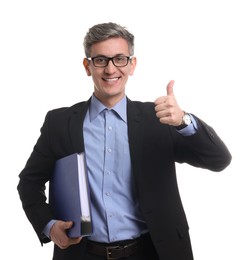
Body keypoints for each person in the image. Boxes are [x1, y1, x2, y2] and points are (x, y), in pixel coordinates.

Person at [17, 22, 232, 260]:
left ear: (132, 64)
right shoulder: (59, 123)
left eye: (119, 59)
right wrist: (49, 226)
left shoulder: (159, 119)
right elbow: (29, 183)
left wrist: (184, 121)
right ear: (87, 66)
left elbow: (219, 160)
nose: (111, 69)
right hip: (82, 254)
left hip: (153, 252)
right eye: (100, 60)